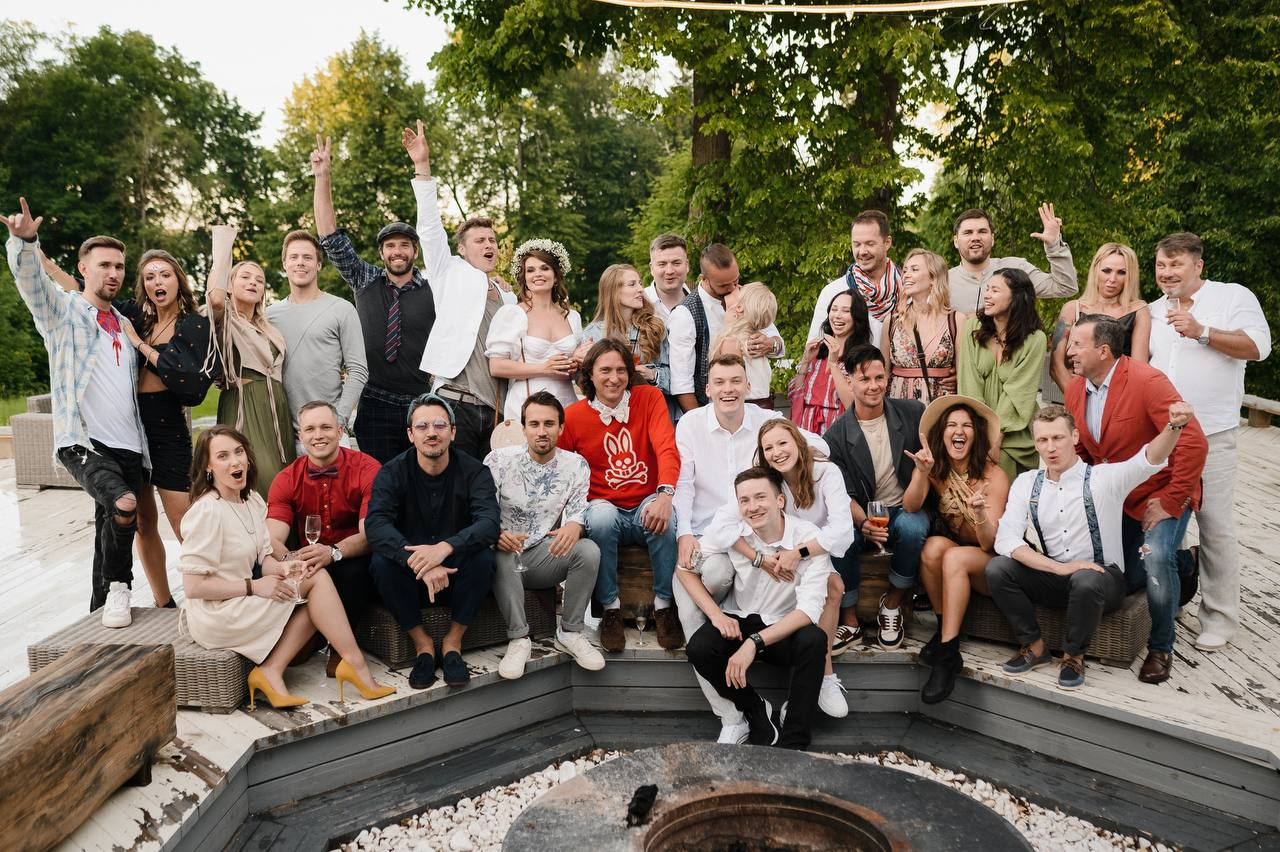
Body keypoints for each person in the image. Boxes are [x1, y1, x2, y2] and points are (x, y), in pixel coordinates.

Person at [671, 356, 837, 739]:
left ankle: (796, 731)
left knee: (812, 638)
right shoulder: (692, 424)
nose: (728, 389)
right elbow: (684, 486)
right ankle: (737, 716)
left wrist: (792, 456)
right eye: (719, 382)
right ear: (707, 389)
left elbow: (815, 444)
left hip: (773, 615)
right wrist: (687, 534)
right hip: (710, 537)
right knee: (697, 624)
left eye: (736, 381)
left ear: (749, 386)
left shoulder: (766, 423)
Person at [4, 198, 149, 625]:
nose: (113, 273)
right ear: (83, 269)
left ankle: (99, 612)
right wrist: (25, 242)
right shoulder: (64, 313)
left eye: (119, 266)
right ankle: (121, 588)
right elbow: (32, 285)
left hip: (130, 444)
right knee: (124, 504)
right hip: (84, 442)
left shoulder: (124, 322)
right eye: (104, 265)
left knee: (109, 526)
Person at [180, 425, 395, 709]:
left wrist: (285, 568)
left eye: (239, 452)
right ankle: (354, 664)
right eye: (223, 456)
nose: (235, 462)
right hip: (217, 614)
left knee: (312, 579)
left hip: (243, 598)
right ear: (208, 466)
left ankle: (273, 670)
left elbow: (264, 558)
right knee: (317, 583)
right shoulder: (206, 511)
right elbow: (193, 587)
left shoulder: (251, 501)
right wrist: (254, 586)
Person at [987, 402, 1195, 690]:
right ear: (1035, 444)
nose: (1050, 448)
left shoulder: (1103, 478)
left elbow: (1148, 458)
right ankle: (1034, 646)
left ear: (1074, 437)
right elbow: (1006, 538)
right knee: (998, 568)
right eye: (1043, 440)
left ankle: (1073, 656)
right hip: (1056, 574)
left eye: (1058, 438)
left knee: (1085, 580)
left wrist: (1174, 426)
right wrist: (1057, 567)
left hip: (1102, 581)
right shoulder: (1026, 482)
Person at [1065, 316, 1207, 683]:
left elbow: (1193, 442)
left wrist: (1171, 500)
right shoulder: (1075, 389)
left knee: (1155, 557)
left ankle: (1161, 646)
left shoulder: (1148, 382)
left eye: (1077, 344)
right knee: (1124, 580)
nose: (1069, 351)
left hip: (1163, 489)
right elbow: (1083, 450)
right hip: (1118, 495)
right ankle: (1186, 563)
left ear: (1104, 350)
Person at [1147, 232, 1271, 652]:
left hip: (1214, 433)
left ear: (1198, 265)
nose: (1167, 273)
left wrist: (1202, 332)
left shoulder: (1232, 296)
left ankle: (1219, 617)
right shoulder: (1152, 311)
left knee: (1214, 525)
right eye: (1161, 265)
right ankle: (1173, 600)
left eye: (1176, 264)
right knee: (1167, 524)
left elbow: (1259, 347)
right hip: (1164, 438)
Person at [683, 467, 832, 750]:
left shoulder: (807, 539)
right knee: (699, 648)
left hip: (784, 627)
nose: (752, 507)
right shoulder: (733, 534)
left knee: (814, 640)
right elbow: (684, 570)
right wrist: (716, 616)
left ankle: (795, 742)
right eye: (745, 500)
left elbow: (808, 612)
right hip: (741, 619)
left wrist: (754, 643)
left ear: (780, 500)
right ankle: (754, 708)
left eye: (760, 497)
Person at [312, 134, 436, 463]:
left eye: (405, 245)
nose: (398, 251)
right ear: (382, 253)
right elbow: (329, 236)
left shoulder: (433, 288)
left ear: (414, 251)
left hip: (418, 401)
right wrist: (323, 176)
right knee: (375, 481)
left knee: (417, 480)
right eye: (390, 246)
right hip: (374, 400)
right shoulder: (365, 279)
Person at [365, 393, 500, 689]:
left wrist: (444, 549)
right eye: (422, 426)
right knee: (381, 563)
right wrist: (421, 562)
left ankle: (453, 642)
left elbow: (490, 524)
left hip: (457, 573)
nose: (431, 433)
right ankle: (422, 644)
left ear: (453, 431)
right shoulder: (392, 472)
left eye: (439, 425)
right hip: (412, 577)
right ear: (410, 434)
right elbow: (375, 525)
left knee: (484, 559)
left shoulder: (475, 472)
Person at [558, 339, 682, 653]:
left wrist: (665, 494)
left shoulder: (649, 398)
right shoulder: (573, 417)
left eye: (621, 370)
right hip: (603, 505)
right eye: (605, 370)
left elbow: (666, 448)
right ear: (590, 374)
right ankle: (610, 608)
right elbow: (564, 473)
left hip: (645, 502)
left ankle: (664, 605)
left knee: (665, 518)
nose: (614, 378)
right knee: (600, 517)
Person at [405, 120, 516, 459]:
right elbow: (429, 227)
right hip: (456, 402)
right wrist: (422, 166)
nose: (489, 244)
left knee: (488, 485)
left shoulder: (507, 296)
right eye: (480, 240)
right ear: (463, 250)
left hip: (496, 411)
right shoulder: (448, 271)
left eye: (492, 240)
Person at [118, 249, 219, 608]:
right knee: (143, 521)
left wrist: (139, 345)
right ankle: (163, 603)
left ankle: (212, 599)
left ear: (178, 280)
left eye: (164, 274)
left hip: (167, 428)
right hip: (131, 428)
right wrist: (37, 253)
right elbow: (87, 290)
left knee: (185, 523)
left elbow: (187, 382)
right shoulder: (138, 318)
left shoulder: (192, 324)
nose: (157, 281)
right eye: (150, 276)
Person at [485, 391, 605, 680]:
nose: (542, 431)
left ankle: (570, 632)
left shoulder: (576, 465)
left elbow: (578, 510)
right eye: (534, 424)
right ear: (524, 428)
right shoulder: (498, 460)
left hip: (542, 556)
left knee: (588, 550)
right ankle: (519, 639)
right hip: (502, 555)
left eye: (549, 424)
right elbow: (482, 510)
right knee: (501, 553)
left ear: (561, 428)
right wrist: (495, 534)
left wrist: (575, 525)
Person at [901, 395, 1009, 703]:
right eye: (951, 425)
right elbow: (910, 506)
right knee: (933, 548)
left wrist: (979, 512)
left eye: (966, 426)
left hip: (991, 562)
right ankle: (943, 630)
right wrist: (922, 474)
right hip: (957, 555)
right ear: (942, 433)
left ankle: (948, 654)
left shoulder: (993, 476)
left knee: (954, 555)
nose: (958, 431)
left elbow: (990, 543)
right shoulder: (935, 468)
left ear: (976, 435)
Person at [823, 345, 930, 649]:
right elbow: (840, 493)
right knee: (839, 537)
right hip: (862, 513)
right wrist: (863, 522)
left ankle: (892, 604)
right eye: (865, 379)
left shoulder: (913, 413)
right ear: (850, 382)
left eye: (879, 377)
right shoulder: (836, 436)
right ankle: (850, 620)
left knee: (914, 527)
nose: (874, 386)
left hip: (904, 507)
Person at [266, 400, 383, 675]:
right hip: (310, 563)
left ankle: (340, 648)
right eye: (310, 429)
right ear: (301, 436)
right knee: (295, 657)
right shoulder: (287, 478)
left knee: (354, 571)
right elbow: (271, 538)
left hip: (352, 557)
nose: (318, 435)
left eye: (326, 427)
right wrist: (292, 559)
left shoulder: (367, 469)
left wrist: (333, 552)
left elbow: (370, 534)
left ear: (340, 431)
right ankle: (314, 633)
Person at [205, 225, 296, 497]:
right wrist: (223, 243)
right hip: (245, 405)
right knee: (260, 479)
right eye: (244, 277)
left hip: (277, 410)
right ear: (230, 284)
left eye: (259, 280)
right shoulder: (225, 321)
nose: (253, 282)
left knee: (285, 483)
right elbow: (215, 300)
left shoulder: (269, 328)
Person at [265, 230, 368, 442]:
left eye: (307, 257)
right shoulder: (269, 315)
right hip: (285, 435)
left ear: (319, 264)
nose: (300, 262)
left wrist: (339, 420)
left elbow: (358, 370)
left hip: (330, 432)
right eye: (293, 257)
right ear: (284, 264)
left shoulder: (342, 309)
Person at [669, 244, 784, 413]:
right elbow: (681, 383)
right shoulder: (685, 314)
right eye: (724, 285)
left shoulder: (745, 297)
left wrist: (771, 344)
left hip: (758, 404)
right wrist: (699, 420)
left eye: (735, 281)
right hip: (713, 408)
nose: (732, 288)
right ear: (704, 279)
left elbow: (779, 346)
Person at [957, 267, 1046, 479]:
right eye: (987, 289)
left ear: (1016, 297)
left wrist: (997, 439)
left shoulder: (1035, 339)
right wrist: (981, 435)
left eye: (995, 290)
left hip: (1014, 434)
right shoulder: (973, 328)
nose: (987, 295)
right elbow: (969, 384)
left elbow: (1019, 392)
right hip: (977, 429)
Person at [487, 239, 583, 421]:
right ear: (524, 278)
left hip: (567, 404)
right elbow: (496, 366)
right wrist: (544, 369)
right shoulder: (513, 314)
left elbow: (576, 372)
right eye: (530, 270)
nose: (537, 274)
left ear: (556, 275)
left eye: (544, 268)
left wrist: (577, 363)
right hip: (526, 404)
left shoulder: (572, 317)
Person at [1050, 243, 1149, 395]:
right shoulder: (1072, 309)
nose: (1112, 279)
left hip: (1121, 398)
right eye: (1106, 270)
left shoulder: (1139, 310)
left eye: (1122, 272)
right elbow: (1056, 366)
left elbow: (1139, 368)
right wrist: (1077, 400)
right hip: (1078, 396)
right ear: (1095, 269)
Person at [947, 205, 1078, 314]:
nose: (975, 237)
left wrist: (1054, 246)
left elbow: (1065, 287)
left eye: (982, 231)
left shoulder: (1016, 269)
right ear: (956, 241)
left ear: (992, 239)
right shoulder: (943, 282)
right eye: (968, 232)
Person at [883, 248, 966, 403]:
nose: (906, 275)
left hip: (940, 409)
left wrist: (957, 378)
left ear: (933, 278)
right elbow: (883, 374)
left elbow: (964, 374)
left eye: (914, 269)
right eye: (905, 270)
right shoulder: (892, 322)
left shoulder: (956, 320)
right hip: (899, 408)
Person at [789, 289, 874, 435]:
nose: (837, 315)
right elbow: (795, 396)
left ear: (857, 317)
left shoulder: (864, 357)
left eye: (846, 311)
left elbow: (854, 405)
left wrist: (834, 364)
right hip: (806, 430)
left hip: (838, 432)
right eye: (834, 309)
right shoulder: (817, 352)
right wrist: (805, 361)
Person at [579, 263, 670, 398]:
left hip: (649, 403)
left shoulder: (654, 327)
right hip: (609, 406)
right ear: (613, 291)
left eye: (640, 283)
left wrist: (652, 374)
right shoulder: (593, 333)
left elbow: (674, 376)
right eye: (632, 284)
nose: (641, 289)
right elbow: (584, 382)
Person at [807, 210, 901, 335]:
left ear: (887, 243)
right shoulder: (833, 292)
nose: (862, 251)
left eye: (870, 244)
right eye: (857, 245)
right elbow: (816, 343)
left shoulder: (908, 290)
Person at [711, 282, 778, 407]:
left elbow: (729, 385)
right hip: (763, 405)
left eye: (738, 289)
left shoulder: (732, 343)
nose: (734, 287)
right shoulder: (757, 340)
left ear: (740, 307)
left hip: (742, 407)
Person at [644, 233, 691, 324]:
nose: (669, 271)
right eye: (662, 264)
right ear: (652, 268)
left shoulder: (702, 303)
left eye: (676, 263)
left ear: (687, 266)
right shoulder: (638, 305)